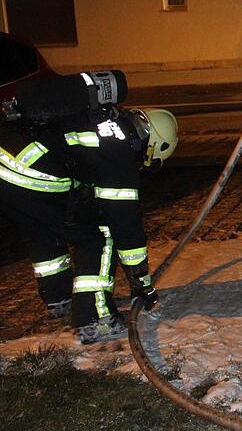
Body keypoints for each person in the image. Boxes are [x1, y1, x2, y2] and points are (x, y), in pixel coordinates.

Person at [0, 96, 178, 343]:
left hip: (5, 162)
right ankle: (95, 320)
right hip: (33, 174)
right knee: (99, 234)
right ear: (153, 146)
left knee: (41, 227)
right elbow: (126, 230)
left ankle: (59, 298)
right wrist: (141, 284)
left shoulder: (107, 120)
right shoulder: (120, 154)